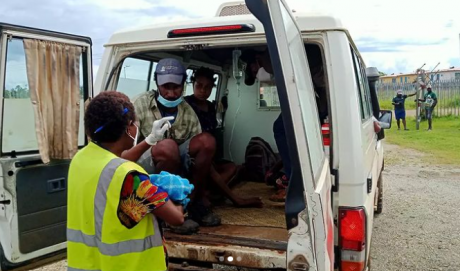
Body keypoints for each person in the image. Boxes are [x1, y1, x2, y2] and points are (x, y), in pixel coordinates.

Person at [67, 91, 187, 271]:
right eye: (135, 122)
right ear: (129, 128)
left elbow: (114, 162)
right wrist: (178, 196)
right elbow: (176, 218)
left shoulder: (80, 159)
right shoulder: (130, 177)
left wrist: (150, 140)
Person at [122, 58, 220, 235]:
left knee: (207, 141)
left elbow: (202, 156)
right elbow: (125, 147)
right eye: (165, 87)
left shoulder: (188, 112)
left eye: (176, 87)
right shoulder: (139, 104)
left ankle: (191, 203)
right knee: (167, 147)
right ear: (157, 84)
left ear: (183, 85)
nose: (170, 93)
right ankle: (167, 213)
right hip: (142, 165)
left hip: (178, 167)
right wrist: (151, 141)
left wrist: (207, 193)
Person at [185, 67, 263, 207]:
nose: (203, 91)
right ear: (193, 84)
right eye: (199, 86)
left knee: (233, 167)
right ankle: (235, 199)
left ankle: (209, 192)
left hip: (210, 156)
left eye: (208, 87)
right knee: (211, 167)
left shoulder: (210, 107)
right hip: (193, 156)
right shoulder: (186, 105)